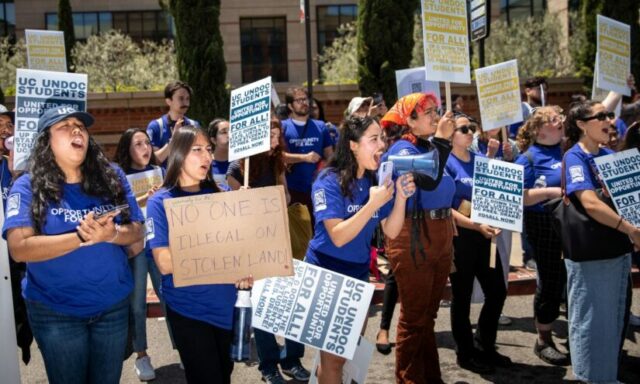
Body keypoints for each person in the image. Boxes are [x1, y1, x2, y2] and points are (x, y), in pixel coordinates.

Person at [3, 106, 145, 384]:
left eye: (80, 125)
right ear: (46, 140)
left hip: (112, 307)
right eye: (64, 126)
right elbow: (19, 248)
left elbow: (137, 230)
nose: (77, 129)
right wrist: (82, 236)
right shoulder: (27, 186)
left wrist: (111, 234)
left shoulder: (112, 176)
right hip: (55, 312)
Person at [306, 115, 415, 383]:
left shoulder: (375, 179)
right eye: (374, 139)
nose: (382, 145)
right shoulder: (327, 179)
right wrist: (372, 205)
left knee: (346, 352)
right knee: (332, 359)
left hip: (357, 274)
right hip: (327, 273)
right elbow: (339, 237)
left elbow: (390, 230)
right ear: (353, 145)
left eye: (383, 138)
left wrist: (400, 198)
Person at [146, 125, 253, 384]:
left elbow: (243, 252)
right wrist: (219, 253)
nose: (206, 157)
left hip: (226, 307)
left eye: (208, 149)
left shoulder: (224, 195)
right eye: (197, 150)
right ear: (178, 154)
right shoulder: (159, 203)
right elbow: (165, 263)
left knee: (223, 376)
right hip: (189, 309)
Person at [380, 92, 455, 384]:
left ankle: (429, 377)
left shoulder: (427, 146)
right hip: (413, 238)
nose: (436, 116)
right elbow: (429, 177)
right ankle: (409, 379)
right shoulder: (400, 149)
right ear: (408, 120)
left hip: (439, 235)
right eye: (428, 112)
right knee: (414, 319)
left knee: (428, 317)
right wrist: (444, 140)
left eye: (436, 111)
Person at [562, 101, 639, 383]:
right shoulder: (574, 158)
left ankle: (606, 375)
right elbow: (591, 204)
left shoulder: (608, 154)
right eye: (602, 116)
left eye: (610, 115)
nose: (609, 120)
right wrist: (630, 229)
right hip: (591, 255)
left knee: (613, 319)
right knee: (591, 322)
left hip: (617, 252)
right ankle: (590, 378)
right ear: (582, 125)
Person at [227, 119, 308, 384]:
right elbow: (232, 192)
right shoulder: (240, 164)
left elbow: (285, 196)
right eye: (271, 136)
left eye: (278, 136)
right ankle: (268, 365)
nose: (276, 141)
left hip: (278, 236)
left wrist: (277, 197)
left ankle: (293, 359)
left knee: (289, 299)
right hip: (252, 241)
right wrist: (247, 194)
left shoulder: (276, 161)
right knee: (261, 304)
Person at [446, 114, 509, 374]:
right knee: (461, 297)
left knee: (497, 291)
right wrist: (475, 226)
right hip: (460, 239)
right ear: (450, 134)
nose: (470, 132)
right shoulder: (445, 164)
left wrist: (499, 216)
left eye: (472, 128)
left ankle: (484, 343)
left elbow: (496, 195)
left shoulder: (482, 160)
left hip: (485, 238)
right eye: (463, 129)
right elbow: (445, 209)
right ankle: (465, 351)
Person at [514, 107, 569, 365]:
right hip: (543, 223)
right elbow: (517, 196)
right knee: (550, 278)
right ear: (538, 130)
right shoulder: (528, 159)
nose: (559, 122)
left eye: (559, 118)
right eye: (552, 121)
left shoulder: (569, 150)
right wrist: (550, 192)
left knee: (570, 278)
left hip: (570, 222)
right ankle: (544, 339)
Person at [114, 128, 166, 381]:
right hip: (135, 247)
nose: (145, 147)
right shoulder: (118, 175)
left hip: (159, 244)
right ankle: (141, 355)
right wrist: (145, 197)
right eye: (138, 144)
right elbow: (118, 208)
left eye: (147, 142)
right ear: (127, 149)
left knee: (170, 296)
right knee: (136, 305)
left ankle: (186, 350)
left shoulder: (161, 171)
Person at [282, 87, 334, 221]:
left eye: (305, 99)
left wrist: (325, 170)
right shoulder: (283, 127)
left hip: (318, 189)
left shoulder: (320, 126)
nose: (304, 102)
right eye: (299, 100)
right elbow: (278, 156)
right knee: (299, 231)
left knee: (319, 226)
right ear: (290, 106)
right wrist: (304, 158)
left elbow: (330, 156)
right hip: (293, 189)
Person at [146, 81, 200, 166]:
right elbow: (153, 161)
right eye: (181, 98)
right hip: (165, 178)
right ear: (168, 101)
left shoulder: (194, 125)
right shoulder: (156, 126)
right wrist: (173, 141)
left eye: (187, 98)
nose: (185, 103)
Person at [207, 118, 230, 189]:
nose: (229, 135)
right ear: (213, 140)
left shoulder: (241, 163)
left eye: (232, 131)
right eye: (224, 132)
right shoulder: (205, 164)